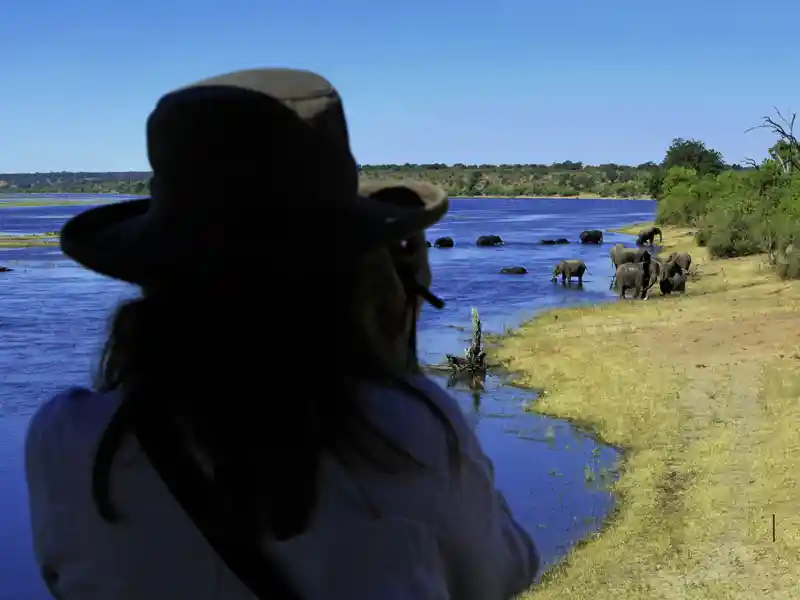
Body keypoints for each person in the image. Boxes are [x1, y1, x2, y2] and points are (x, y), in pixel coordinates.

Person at [24, 68, 540, 600]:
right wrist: (398, 345)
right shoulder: (406, 436)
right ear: (352, 269)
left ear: (156, 266)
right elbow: (505, 571)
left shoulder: (68, 441)